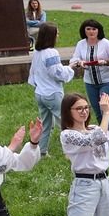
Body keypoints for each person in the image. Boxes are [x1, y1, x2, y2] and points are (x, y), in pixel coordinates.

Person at [27, 22, 74, 154]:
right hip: (52, 93)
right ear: (51, 36)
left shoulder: (37, 52)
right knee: (64, 123)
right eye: (56, 33)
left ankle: (41, 151)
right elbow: (57, 73)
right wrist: (70, 68)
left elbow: (33, 72)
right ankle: (72, 150)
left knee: (46, 124)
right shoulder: (51, 53)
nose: (58, 35)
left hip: (40, 93)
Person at [70, 19, 109, 119]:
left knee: (106, 111)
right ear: (84, 31)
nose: (91, 32)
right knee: (97, 112)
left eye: (94, 29)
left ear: (99, 30)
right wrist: (79, 63)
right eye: (88, 29)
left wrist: (105, 62)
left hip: (108, 81)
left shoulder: (106, 43)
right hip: (90, 83)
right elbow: (73, 60)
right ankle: (101, 133)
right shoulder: (81, 44)